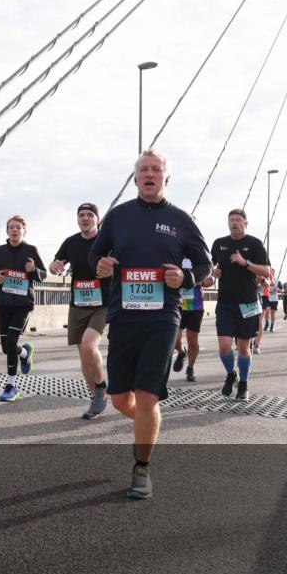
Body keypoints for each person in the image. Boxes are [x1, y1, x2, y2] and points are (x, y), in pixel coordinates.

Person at [90, 150, 211, 499]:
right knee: (118, 399)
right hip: (123, 315)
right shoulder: (118, 216)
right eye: (143, 169)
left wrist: (185, 277)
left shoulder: (181, 220)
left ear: (166, 178)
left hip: (163, 317)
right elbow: (95, 253)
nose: (149, 173)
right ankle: (149, 422)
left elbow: (204, 265)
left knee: (146, 396)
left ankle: (141, 467)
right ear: (135, 178)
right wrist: (101, 264)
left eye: (156, 169)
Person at [50, 203, 111, 419]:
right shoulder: (71, 242)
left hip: (103, 302)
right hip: (78, 303)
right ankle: (96, 398)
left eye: (90, 215)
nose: (85, 218)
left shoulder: (106, 240)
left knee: (88, 346)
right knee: (83, 355)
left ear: (97, 219)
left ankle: (102, 386)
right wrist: (55, 267)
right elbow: (56, 264)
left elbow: (121, 262)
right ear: (77, 220)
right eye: (81, 215)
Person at [0, 214, 47, 402]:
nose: (15, 230)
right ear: (7, 231)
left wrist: (33, 269)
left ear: (24, 230)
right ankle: (25, 353)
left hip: (23, 305)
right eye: (11, 227)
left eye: (18, 227)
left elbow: (43, 275)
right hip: (4, 305)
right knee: (6, 347)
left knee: (11, 343)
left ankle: (11, 386)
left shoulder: (31, 250)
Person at [211, 208, 270, 402]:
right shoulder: (219, 244)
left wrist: (245, 262)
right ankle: (231, 374)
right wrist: (214, 273)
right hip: (225, 303)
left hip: (248, 303)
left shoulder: (254, 244)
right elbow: (213, 270)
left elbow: (266, 271)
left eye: (238, 220)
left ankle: (243, 384)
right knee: (224, 346)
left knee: (244, 347)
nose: (234, 223)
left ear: (245, 223)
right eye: (231, 220)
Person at [174, 257, 214, 383]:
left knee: (192, 340)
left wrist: (196, 281)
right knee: (174, 338)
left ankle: (190, 368)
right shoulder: (175, 255)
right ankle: (181, 352)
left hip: (194, 305)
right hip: (177, 303)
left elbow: (210, 280)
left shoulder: (198, 257)